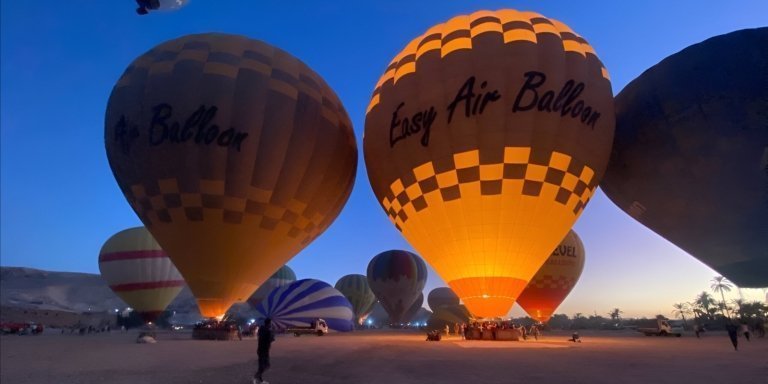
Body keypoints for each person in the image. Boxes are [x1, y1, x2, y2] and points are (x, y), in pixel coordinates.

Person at [254, 318, 275, 384]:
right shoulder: (268, 331)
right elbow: (271, 339)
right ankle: (255, 377)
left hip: (260, 349)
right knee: (266, 365)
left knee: (262, 365)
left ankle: (260, 380)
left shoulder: (261, 329)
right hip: (264, 350)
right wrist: (272, 332)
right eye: (271, 323)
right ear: (269, 323)